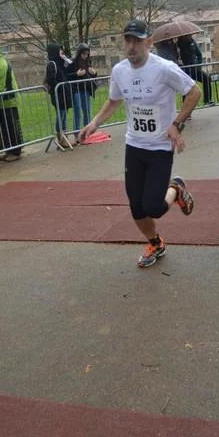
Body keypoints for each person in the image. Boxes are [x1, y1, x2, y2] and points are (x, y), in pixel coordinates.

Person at [79, 19, 201, 268]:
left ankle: (176, 189)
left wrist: (176, 124)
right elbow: (114, 101)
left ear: (149, 43)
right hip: (134, 146)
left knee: (154, 207)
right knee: (136, 206)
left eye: (137, 40)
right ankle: (155, 243)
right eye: (128, 40)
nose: (131, 46)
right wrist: (94, 123)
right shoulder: (119, 71)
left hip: (160, 147)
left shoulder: (164, 68)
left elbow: (194, 91)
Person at [64, 43, 98, 142]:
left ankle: (87, 133)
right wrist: (76, 74)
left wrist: (94, 73)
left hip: (86, 89)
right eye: (84, 54)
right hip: (76, 90)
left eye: (87, 54)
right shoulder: (72, 62)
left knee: (87, 111)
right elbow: (66, 75)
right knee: (77, 111)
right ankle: (77, 133)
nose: (85, 56)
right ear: (79, 53)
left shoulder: (88, 62)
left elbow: (90, 75)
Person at [44, 42, 73, 149]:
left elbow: (69, 68)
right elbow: (50, 79)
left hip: (64, 94)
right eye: (60, 50)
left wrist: (66, 60)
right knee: (61, 116)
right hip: (58, 94)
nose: (62, 52)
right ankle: (61, 139)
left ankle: (65, 138)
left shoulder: (60, 63)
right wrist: (60, 86)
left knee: (64, 116)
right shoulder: (51, 64)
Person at [177, 35, 213, 105]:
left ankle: (207, 100)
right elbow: (177, 57)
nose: (189, 36)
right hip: (186, 70)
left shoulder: (192, 41)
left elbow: (199, 54)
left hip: (195, 68)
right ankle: (186, 105)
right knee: (187, 87)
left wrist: (199, 65)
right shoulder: (178, 44)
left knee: (207, 78)